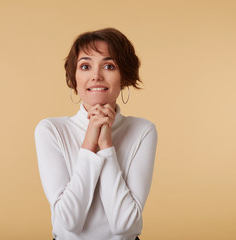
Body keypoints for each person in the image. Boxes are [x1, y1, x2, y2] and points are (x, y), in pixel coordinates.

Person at [35, 28, 158, 240]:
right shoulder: (51, 130)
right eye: (85, 66)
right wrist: (89, 145)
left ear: (124, 77)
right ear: (74, 77)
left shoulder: (143, 130)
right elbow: (68, 223)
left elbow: (124, 225)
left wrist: (106, 145)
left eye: (109, 66)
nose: (96, 76)